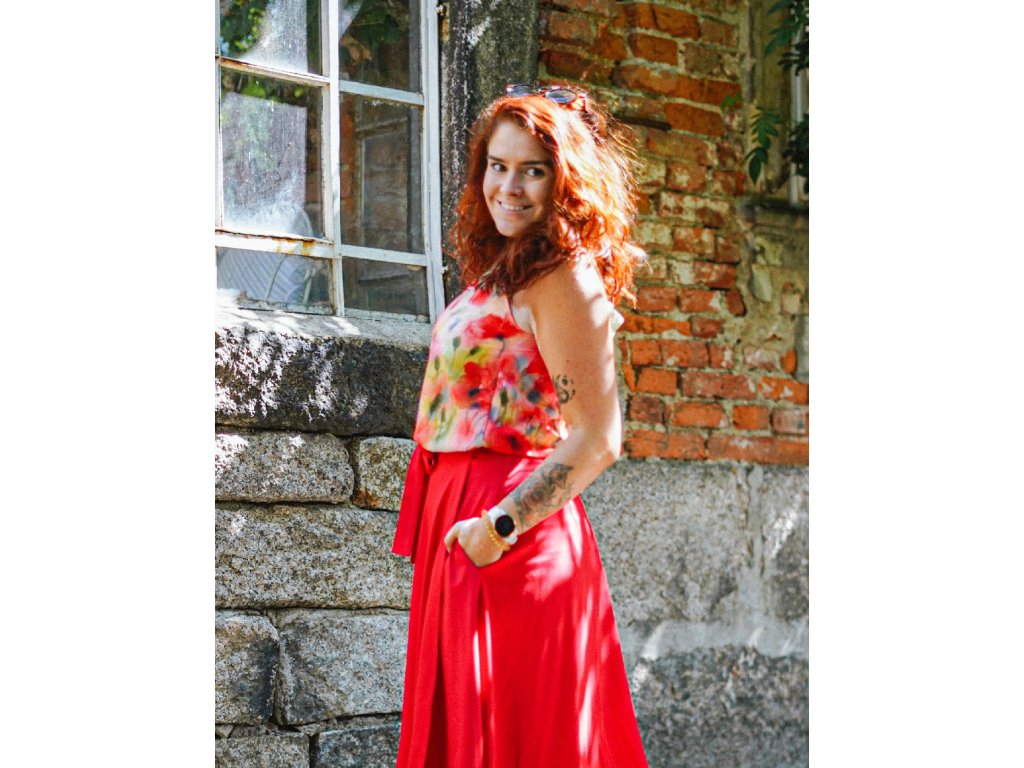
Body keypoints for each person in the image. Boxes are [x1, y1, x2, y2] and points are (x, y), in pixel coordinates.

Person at [392, 83, 649, 768]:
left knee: (518, 742)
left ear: (566, 181)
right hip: (465, 523)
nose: (509, 187)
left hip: (509, 532)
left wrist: (498, 526)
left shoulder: (562, 278)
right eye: (497, 166)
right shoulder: (504, 273)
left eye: (532, 170)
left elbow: (598, 437)